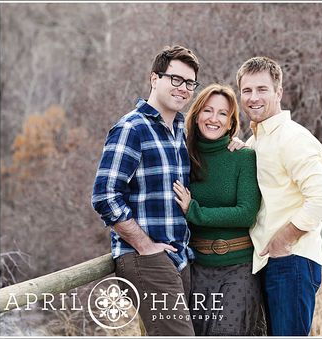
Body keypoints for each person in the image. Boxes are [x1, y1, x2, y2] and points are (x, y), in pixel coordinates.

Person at [91, 45, 200, 336]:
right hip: (145, 258)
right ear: (155, 79)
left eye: (190, 83)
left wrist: (236, 144)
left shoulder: (179, 130)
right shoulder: (132, 128)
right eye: (175, 79)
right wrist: (145, 246)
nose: (183, 88)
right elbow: (104, 195)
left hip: (179, 256)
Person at [236, 56, 322, 336]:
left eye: (262, 89)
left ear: (278, 92)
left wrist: (284, 238)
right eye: (247, 90)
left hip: (291, 261)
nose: (253, 97)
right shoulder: (257, 141)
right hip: (271, 263)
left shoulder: (294, 139)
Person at [172, 83, 265, 336]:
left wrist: (195, 211)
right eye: (208, 111)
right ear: (197, 114)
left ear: (231, 121)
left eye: (222, 113)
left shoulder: (243, 157)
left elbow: (246, 212)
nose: (214, 119)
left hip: (238, 268)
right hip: (197, 269)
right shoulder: (183, 156)